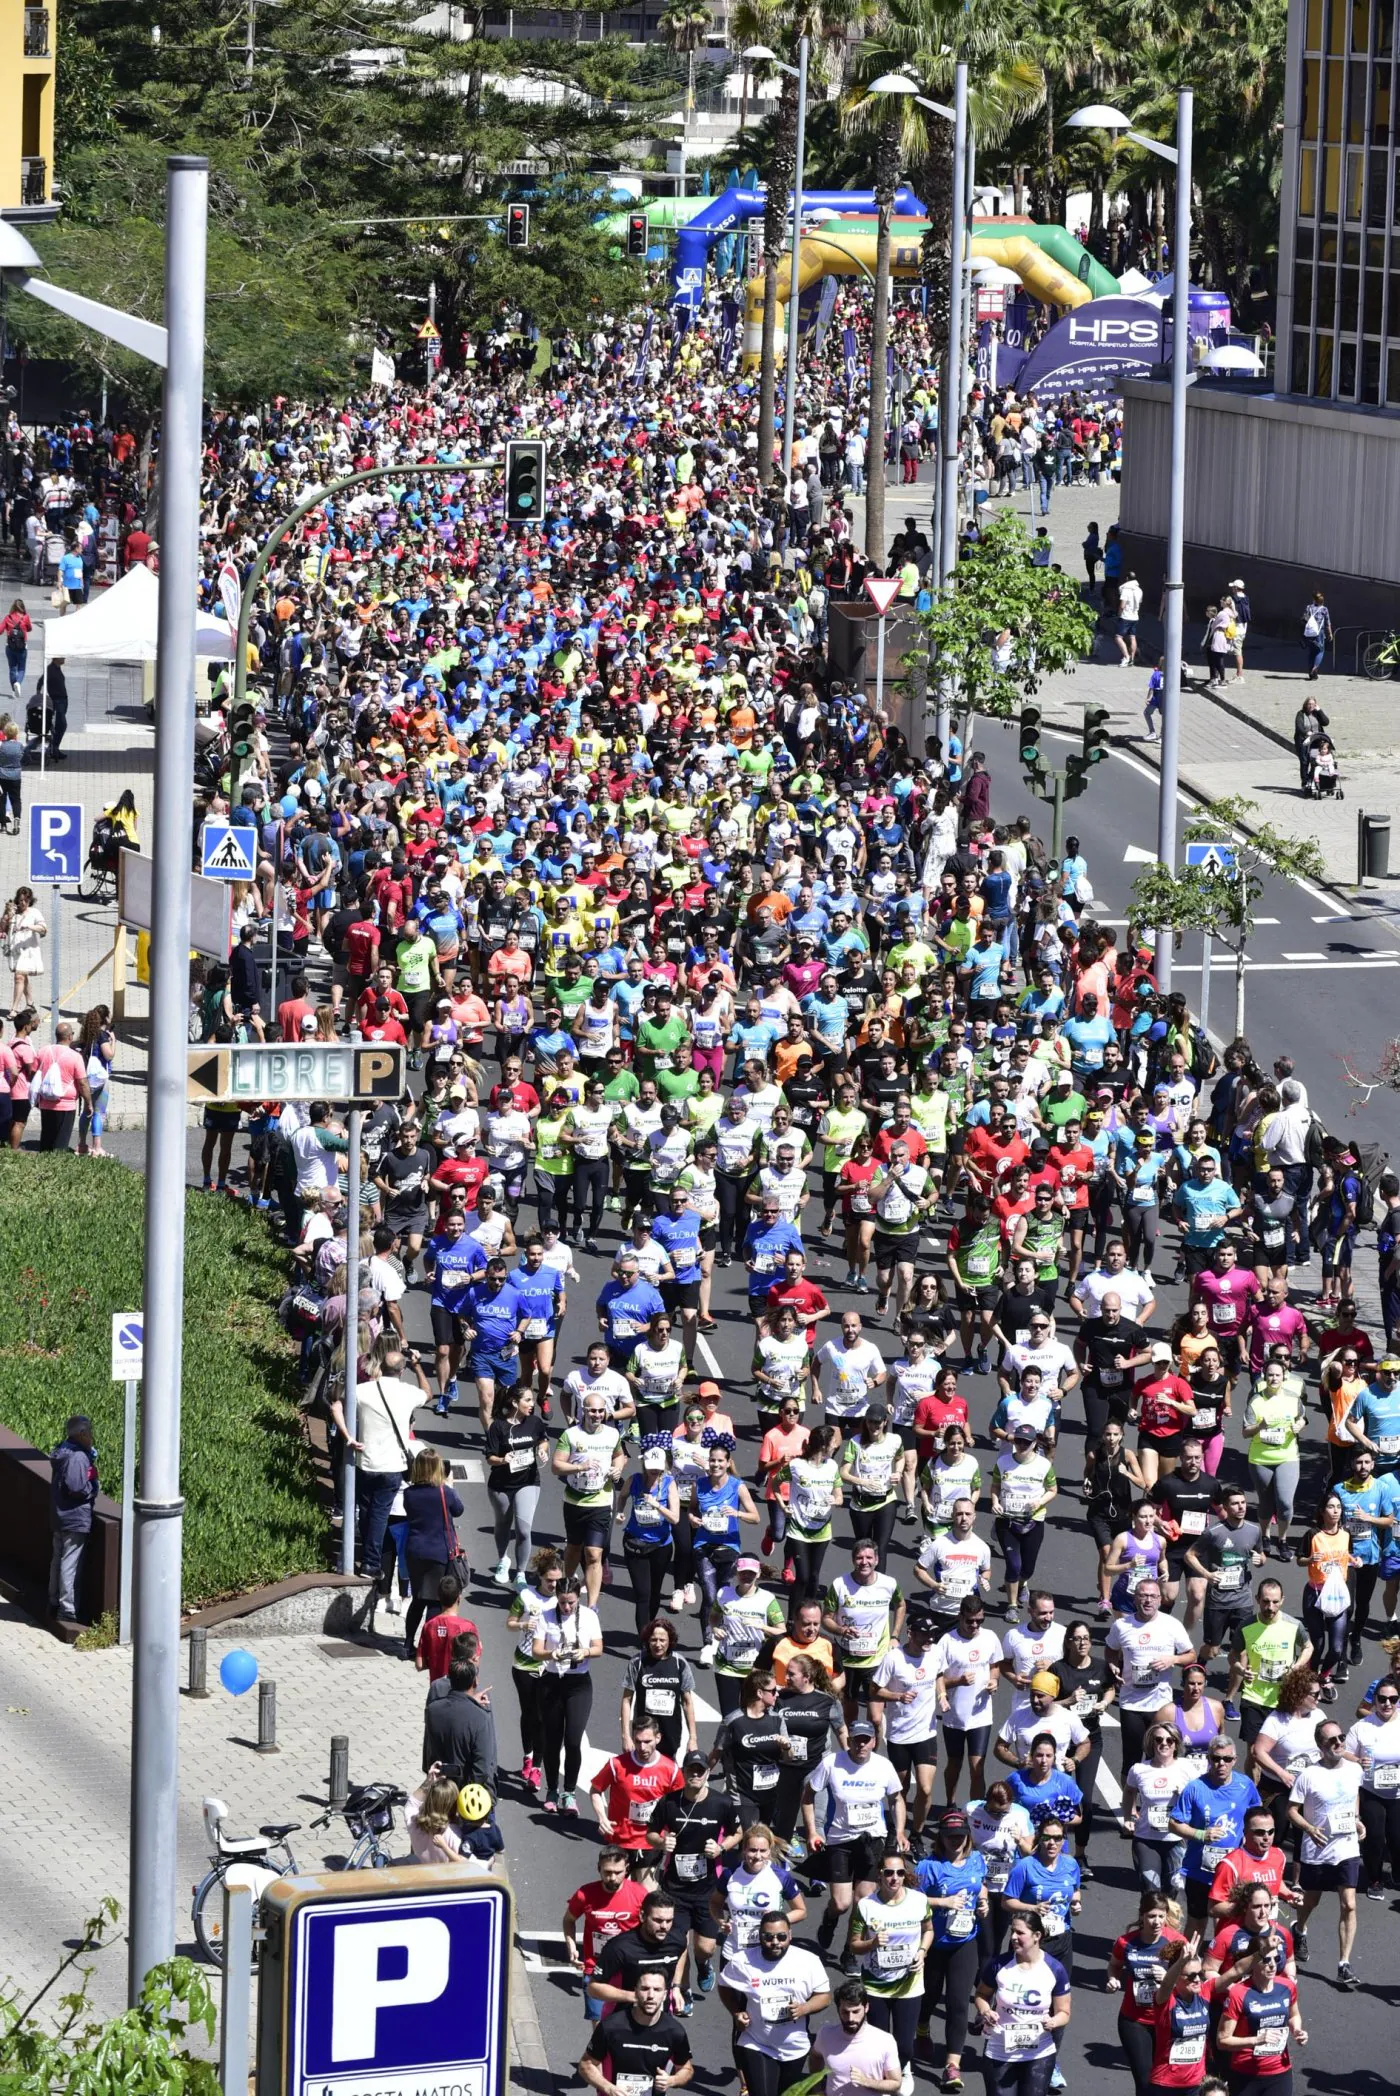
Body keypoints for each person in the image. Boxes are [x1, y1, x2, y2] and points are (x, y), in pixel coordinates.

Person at [718, 1909, 831, 2096]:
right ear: (760, 1936)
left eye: (781, 1936)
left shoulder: (808, 1961)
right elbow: (723, 1985)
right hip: (757, 2042)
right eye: (768, 1937)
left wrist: (805, 2008)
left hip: (794, 2046)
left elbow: (825, 1996)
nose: (775, 1942)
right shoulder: (743, 1961)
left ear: (790, 1935)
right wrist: (736, 2012)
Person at [1287, 1717, 1364, 1988]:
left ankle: (1344, 1963)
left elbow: (1353, 1794)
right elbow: (1291, 1811)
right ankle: (1300, 1929)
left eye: (1341, 1737)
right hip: (1317, 1849)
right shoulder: (1309, 1775)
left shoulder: (1354, 1770)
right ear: (1321, 1746)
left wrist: (1356, 1819)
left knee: (1349, 1903)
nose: (1339, 1743)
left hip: (1346, 1846)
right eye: (1331, 1740)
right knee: (1311, 1902)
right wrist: (1309, 1828)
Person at [971, 1909, 1071, 2096]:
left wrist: (1054, 2022)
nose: (1014, 1937)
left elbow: (1064, 2012)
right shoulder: (999, 1965)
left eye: (1020, 1933)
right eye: (1012, 1932)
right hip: (1000, 2049)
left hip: (1038, 2052)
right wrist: (986, 2011)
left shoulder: (1054, 1969)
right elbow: (981, 1995)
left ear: (1037, 1936)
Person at [563, 1845, 647, 2021]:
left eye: (618, 1872)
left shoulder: (640, 1895)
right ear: (598, 1869)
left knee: (632, 2023)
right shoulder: (584, 1894)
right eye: (607, 1872)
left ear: (627, 1869)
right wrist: (571, 1945)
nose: (612, 1877)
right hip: (596, 1968)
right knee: (600, 2027)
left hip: (629, 1967)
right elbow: (569, 1920)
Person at [577, 1967, 693, 2092]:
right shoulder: (611, 2027)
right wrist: (608, 2088)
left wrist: (672, 2080)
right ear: (635, 1991)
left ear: (665, 1995)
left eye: (657, 1990)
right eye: (645, 1989)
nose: (651, 1995)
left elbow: (686, 2069)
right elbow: (586, 2065)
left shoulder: (674, 2031)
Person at [810, 1980, 903, 2096]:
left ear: (866, 2008)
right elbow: (815, 2056)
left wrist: (866, 2082)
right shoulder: (825, 2035)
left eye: (856, 2011)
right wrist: (817, 2090)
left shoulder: (885, 2041)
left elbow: (896, 2083)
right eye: (845, 2012)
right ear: (838, 2009)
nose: (850, 2018)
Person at [420, 1656, 498, 1794]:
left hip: (441, 1791)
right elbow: (483, 1766)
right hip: (469, 1796)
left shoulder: (432, 1710)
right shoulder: (480, 1717)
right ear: (474, 1682)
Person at [48, 1414, 97, 1629]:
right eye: (89, 1432)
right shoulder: (77, 1457)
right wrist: (93, 1489)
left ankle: (53, 1601)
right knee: (69, 1563)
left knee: (58, 1560)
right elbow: (77, 1487)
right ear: (81, 1434)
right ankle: (67, 1609)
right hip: (75, 1517)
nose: (91, 1436)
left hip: (60, 1515)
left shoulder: (63, 1451)